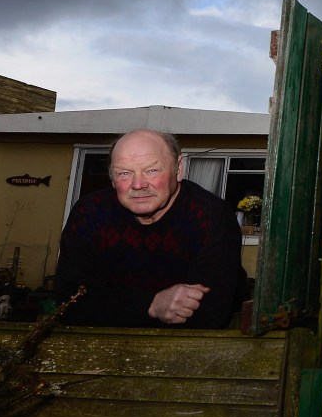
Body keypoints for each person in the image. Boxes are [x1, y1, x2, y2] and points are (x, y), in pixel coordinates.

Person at [53, 128, 246, 328]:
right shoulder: (90, 214)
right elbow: (70, 304)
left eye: (152, 170)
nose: (138, 184)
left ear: (179, 169)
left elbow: (209, 315)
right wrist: (152, 305)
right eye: (124, 173)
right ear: (112, 178)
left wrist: (114, 306)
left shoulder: (212, 217)